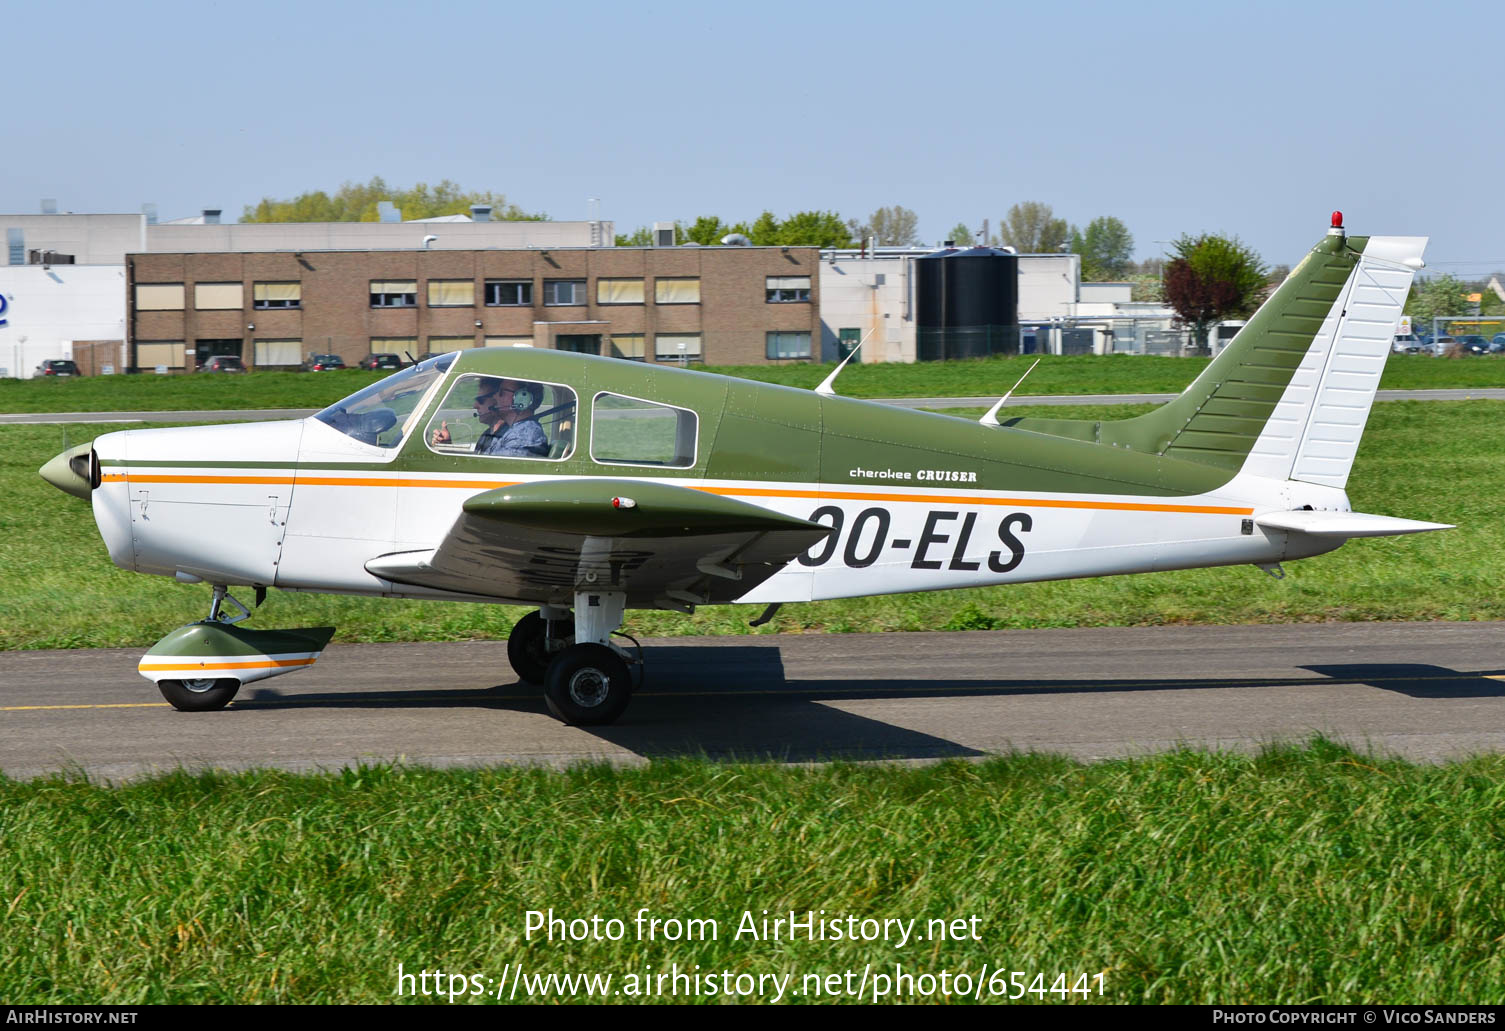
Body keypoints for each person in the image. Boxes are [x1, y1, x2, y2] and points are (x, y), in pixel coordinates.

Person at [431, 376, 549, 457]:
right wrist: (448, 448)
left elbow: (492, 470)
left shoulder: (525, 435)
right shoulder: (513, 431)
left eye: (502, 392)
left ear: (522, 398)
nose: (496, 397)